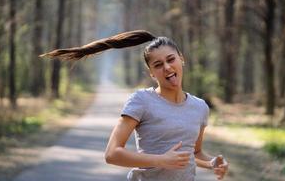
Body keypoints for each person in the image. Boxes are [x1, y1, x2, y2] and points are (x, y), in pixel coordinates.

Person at [40, 30, 229, 181]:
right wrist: (161, 160)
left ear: (182, 59)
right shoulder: (141, 101)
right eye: (158, 65)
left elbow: (193, 152)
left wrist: (212, 163)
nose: (167, 68)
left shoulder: (200, 107)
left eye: (171, 59)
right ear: (151, 73)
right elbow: (112, 154)